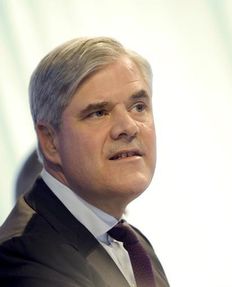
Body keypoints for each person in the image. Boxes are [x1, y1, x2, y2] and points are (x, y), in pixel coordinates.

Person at [0, 37, 170, 287]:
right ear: (50, 141)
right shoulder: (25, 255)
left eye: (138, 106)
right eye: (99, 112)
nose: (128, 127)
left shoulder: (133, 243)